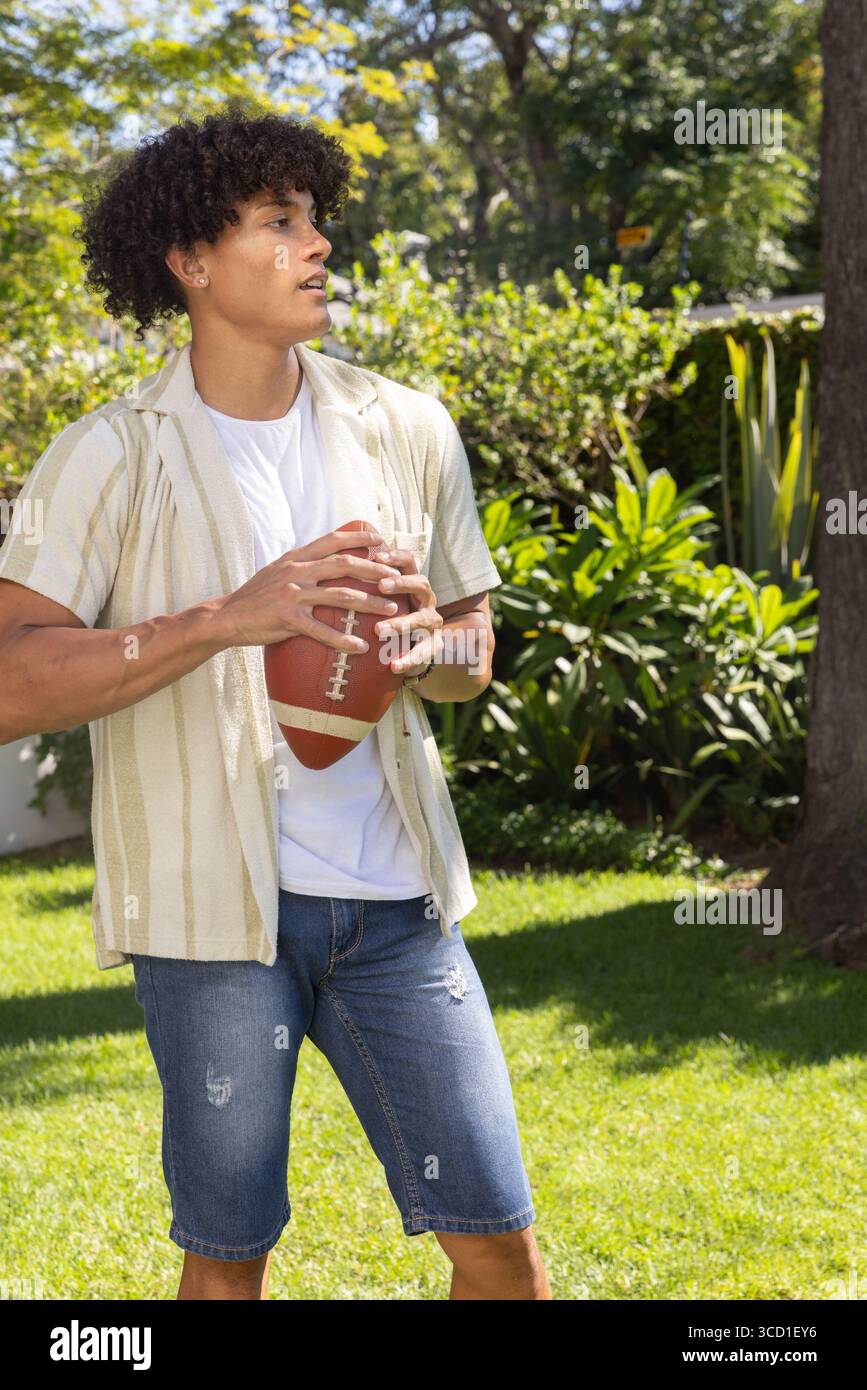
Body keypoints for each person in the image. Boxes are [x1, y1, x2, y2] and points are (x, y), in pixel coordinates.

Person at [0, 108, 550, 1301]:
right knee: (228, 1262)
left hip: (397, 906)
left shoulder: (405, 426)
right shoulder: (108, 454)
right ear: (190, 263)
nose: (319, 247)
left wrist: (423, 646)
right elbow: (10, 679)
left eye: (317, 220)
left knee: (500, 1249)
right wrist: (219, 620)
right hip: (210, 927)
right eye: (278, 222)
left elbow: (475, 647)